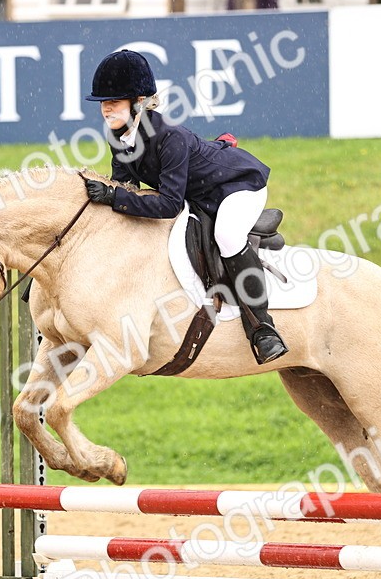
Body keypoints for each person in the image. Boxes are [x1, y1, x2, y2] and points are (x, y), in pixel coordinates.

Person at [82, 49, 288, 365]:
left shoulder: (170, 137)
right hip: (199, 195)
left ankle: (263, 330)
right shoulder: (119, 137)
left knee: (228, 236)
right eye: (103, 103)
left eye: (115, 101)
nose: (106, 108)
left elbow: (168, 204)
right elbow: (126, 188)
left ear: (138, 102)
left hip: (236, 186)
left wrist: (114, 198)